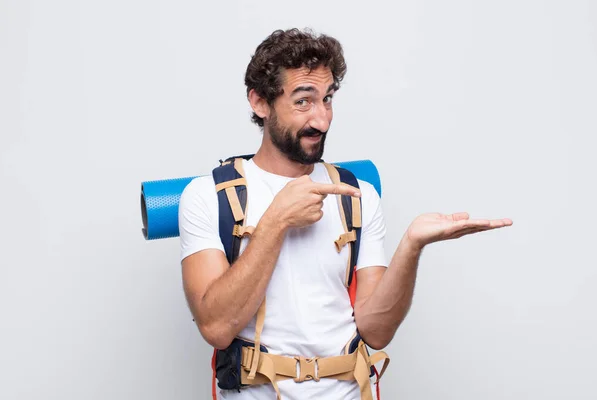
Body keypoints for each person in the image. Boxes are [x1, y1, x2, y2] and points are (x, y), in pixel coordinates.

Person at [178, 28, 512, 400]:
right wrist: (276, 219)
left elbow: (376, 330)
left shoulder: (357, 195)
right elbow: (217, 327)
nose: (322, 120)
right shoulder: (207, 196)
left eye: (328, 99)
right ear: (260, 102)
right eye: (304, 101)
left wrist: (412, 246)